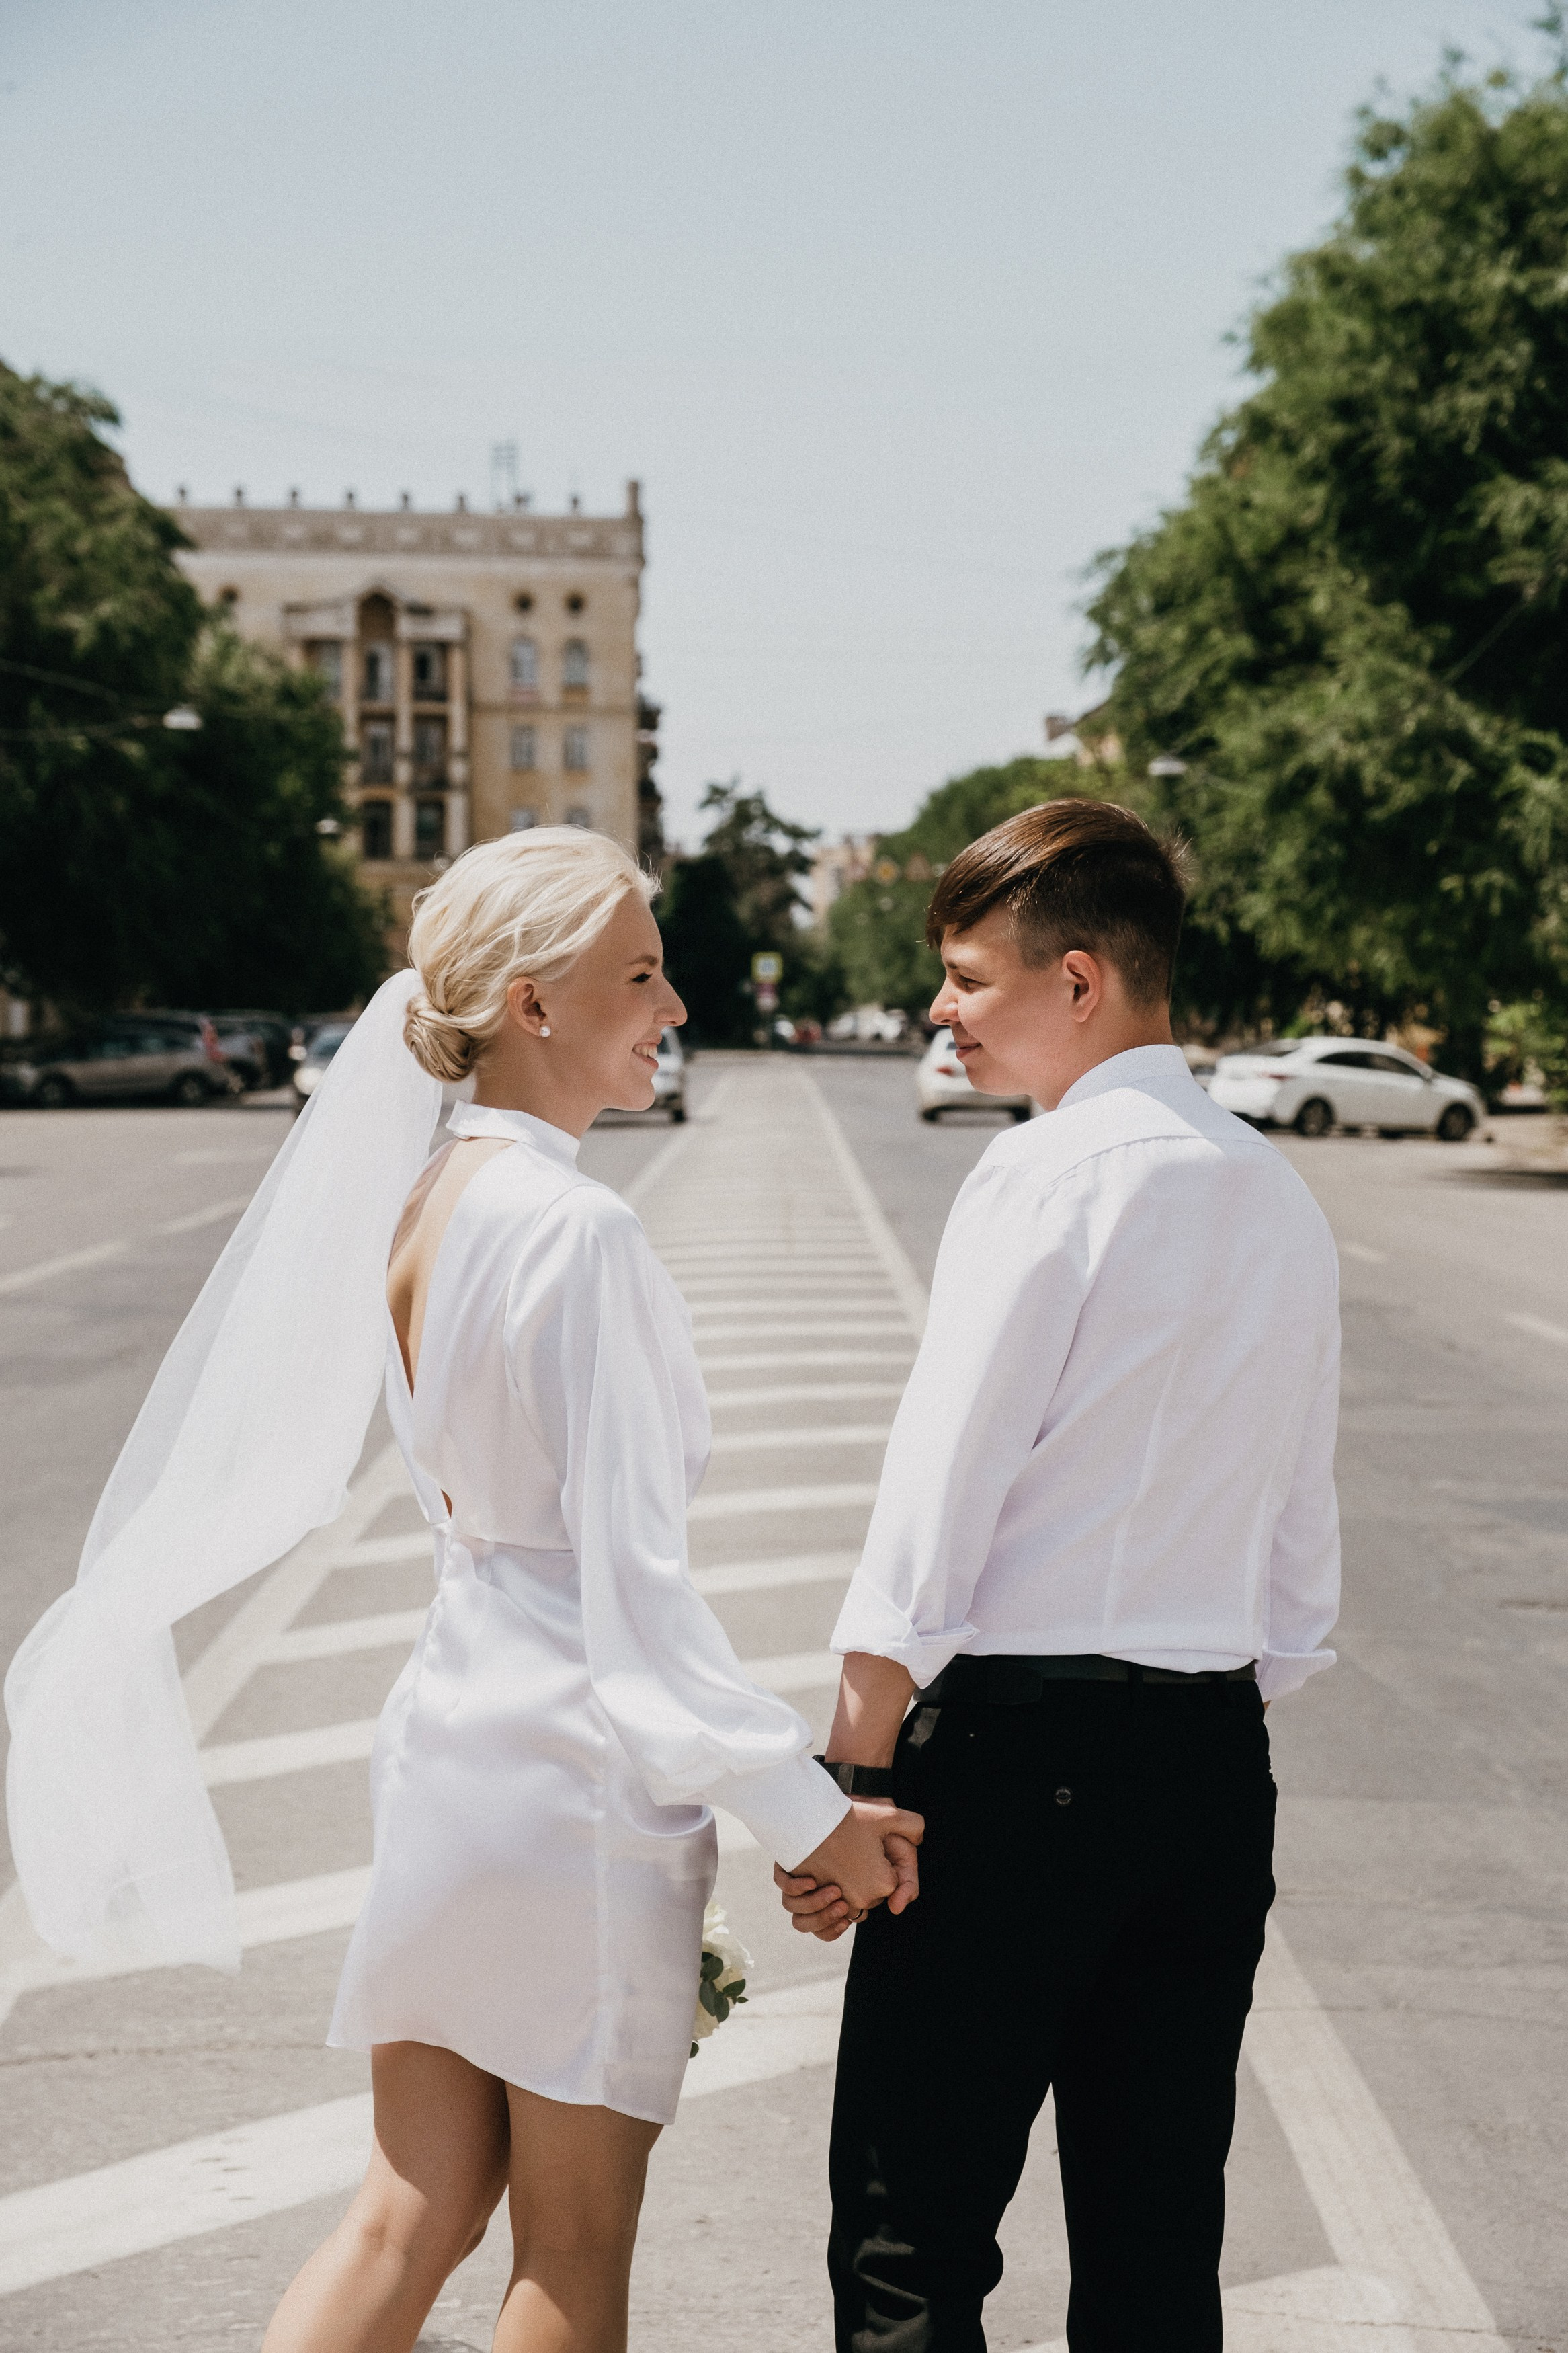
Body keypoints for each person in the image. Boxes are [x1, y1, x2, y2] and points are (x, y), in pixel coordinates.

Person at [5, 828, 922, 2353]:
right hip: (572, 1784)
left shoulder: (428, 1198)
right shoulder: (580, 1232)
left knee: (404, 2209)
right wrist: (813, 1814)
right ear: (530, 1001)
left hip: (448, 1749)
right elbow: (632, 1608)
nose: (676, 1002)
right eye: (640, 972)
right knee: (570, 2251)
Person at [777, 799, 1341, 2352]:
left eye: (966, 975)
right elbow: (1302, 1552)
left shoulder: (1046, 1179)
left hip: (1017, 1770)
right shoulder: (1281, 1197)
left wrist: (850, 1780)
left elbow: (933, 1513)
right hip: (1213, 1765)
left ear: (1078, 981)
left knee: (913, 2232)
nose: (942, 1009)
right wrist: (1203, 1709)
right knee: (1160, 2244)